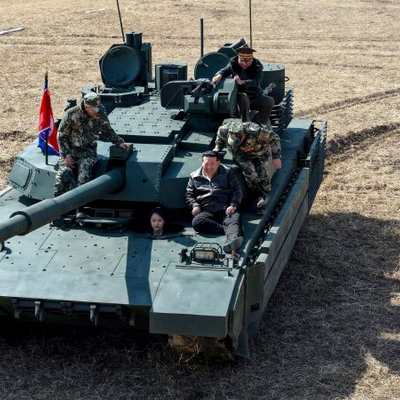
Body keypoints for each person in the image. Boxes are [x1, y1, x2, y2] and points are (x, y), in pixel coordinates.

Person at [54, 92, 130, 206]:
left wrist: (119, 142)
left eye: (98, 107)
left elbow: (107, 130)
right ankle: (57, 204)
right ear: (86, 107)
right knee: (64, 173)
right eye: (94, 108)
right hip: (70, 151)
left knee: (84, 174)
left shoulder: (101, 112)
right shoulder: (71, 114)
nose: (97, 110)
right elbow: (61, 136)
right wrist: (67, 156)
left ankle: (81, 206)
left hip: (88, 151)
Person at [213, 120, 282, 211]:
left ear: (244, 134)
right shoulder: (224, 130)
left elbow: (274, 138)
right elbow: (220, 137)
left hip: (259, 153)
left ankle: (264, 190)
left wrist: (276, 157)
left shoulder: (257, 132)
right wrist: (218, 148)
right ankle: (258, 195)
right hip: (241, 155)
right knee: (250, 172)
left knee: (263, 175)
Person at [185, 150, 243, 254]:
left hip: (225, 208)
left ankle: (231, 242)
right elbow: (189, 194)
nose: (209, 167)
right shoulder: (194, 176)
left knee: (234, 218)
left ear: (218, 163)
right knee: (197, 222)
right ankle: (231, 230)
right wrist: (195, 205)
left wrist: (233, 205)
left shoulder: (227, 172)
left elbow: (237, 191)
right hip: (206, 209)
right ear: (202, 163)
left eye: (212, 164)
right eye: (206, 164)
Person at [211, 45, 274, 126]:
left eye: (248, 61)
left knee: (269, 101)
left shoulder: (257, 66)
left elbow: (256, 81)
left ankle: (258, 124)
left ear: (252, 58)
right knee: (243, 97)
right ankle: (246, 124)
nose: (244, 63)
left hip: (254, 96)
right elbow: (225, 70)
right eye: (242, 61)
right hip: (239, 98)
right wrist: (219, 75)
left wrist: (242, 82)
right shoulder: (233, 63)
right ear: (238, 58)